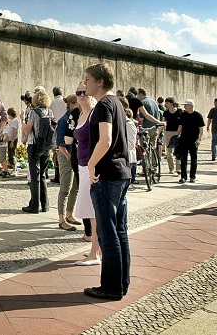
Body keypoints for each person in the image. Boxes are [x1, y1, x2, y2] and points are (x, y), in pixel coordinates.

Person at [84, 63, 131, 301]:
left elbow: (106, 140)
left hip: (107, 175)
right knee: (119, 231)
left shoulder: (103, 105)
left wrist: (91, 165)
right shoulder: (117, 103)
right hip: (120, 173)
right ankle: (121, 283)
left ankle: (111, 287)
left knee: (107, 233)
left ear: (99, 82)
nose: (85, 83)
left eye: (88, 79)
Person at [72, 81, 100, 266]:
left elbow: (101, 141)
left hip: (91, 167)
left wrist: (92, 167)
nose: (81, 95)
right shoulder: (82, 113)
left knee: (94, 211)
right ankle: (96, 248)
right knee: (90, 211)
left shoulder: (94, 114)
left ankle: (95, 253)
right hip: (82, 165)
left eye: (84, 92)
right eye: (78, 92)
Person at [22, 89, 52, 213]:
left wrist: (22, 120)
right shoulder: (49, 111)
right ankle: (45, 205)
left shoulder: (33, 112)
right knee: (43, 175)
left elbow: (27, 130)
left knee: (35, 177)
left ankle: (34, 205)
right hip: (46, 145)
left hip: (34, 145)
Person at [56, 94, 80, 231]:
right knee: (65, 187)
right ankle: (61, 219)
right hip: (66, 155)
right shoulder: (64, 120)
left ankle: (69, 213)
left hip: (75, 156)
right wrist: (69, 157)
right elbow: (61, 144)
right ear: (72, 105)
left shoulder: (77, 118)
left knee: (75, 187)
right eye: (77, 103)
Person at [176, 99, 205, 183]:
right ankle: (183, 176)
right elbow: (180, 126)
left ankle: (192, 176)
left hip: (194, 139)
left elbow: (201, 129)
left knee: (193, 159)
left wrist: (199, 139)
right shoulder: (183, 115)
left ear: (191, 105)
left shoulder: (198, 115)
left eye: (186, 105)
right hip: (184, 139)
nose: (184, 107)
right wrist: (177, 135)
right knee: (183, 159)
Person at [161, 98, 182, 175]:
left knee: (178, 150)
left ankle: (178, 168)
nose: (166, 105)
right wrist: (161, 130)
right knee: (169, 151)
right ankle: (171, 168)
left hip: (177, 132)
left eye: (167, 103)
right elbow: (164, 122)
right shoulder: (166, 112)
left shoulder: (179, 111)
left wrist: (180, 131)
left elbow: (182, 122)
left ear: (171, 103)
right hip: (168, 132)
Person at [3, 108, 20, 177]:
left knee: (12, 154)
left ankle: (14, 170)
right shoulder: (12, 121)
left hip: (13, 139)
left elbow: (15, 132)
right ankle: (14, 169)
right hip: (10, 139)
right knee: (10, 154)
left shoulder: (14, 121)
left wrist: (12, 141)